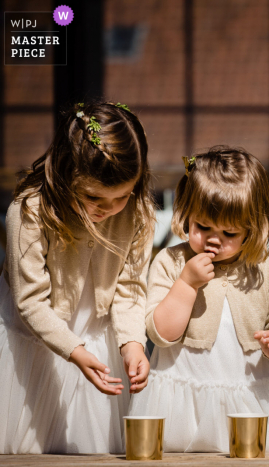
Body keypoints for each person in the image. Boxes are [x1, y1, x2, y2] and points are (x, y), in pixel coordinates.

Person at [129, 146, 269, 453]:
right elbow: (161, 334)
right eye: (203, 227)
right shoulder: (171, 262)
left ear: (252, 230)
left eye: (229, 233)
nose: (214, 239)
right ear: (186, 214)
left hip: (247, 397)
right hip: (181, 400)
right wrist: (186, 284)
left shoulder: (261, 269)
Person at [0, 102, 155, 454]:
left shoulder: (138, 214)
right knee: (27, 448)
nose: (107, 207)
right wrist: (75, 352)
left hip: (98, 344)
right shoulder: (29, 212)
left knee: (90, 448)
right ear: (67, 172)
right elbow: (30, 302)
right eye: (92, 196)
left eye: (121, 196)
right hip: (32, 343)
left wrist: (132, 343)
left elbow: (130, 291)